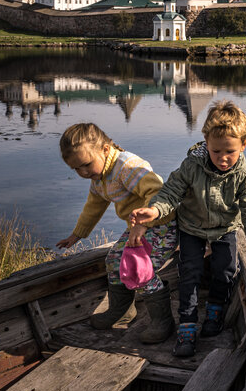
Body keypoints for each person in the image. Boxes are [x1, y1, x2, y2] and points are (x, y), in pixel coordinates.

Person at [131, 100, 246, 358]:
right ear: (206, 143)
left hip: (224, 229)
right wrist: (154, 211)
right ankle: (187, 325)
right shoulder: (191, 167)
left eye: (230, 152)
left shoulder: (243, 175)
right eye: (216, 150)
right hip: (191, 228)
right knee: (190, 274)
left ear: (244, 145)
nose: (222, 158)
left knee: (225, 272)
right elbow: (170, 193)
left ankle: (215, 310)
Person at [56, 123, 177, 343]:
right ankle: (121, 311)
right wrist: (78, 234)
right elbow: (94, 205)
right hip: (139, 227)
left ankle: (163, 321)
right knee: (113, 260)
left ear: (104, 149)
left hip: (163, 224)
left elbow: (159, 191)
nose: (83, 173)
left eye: (86, 165)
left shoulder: (127, 167)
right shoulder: (100, 175)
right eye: (76, 169)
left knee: (140, 267)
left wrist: (145, 223)